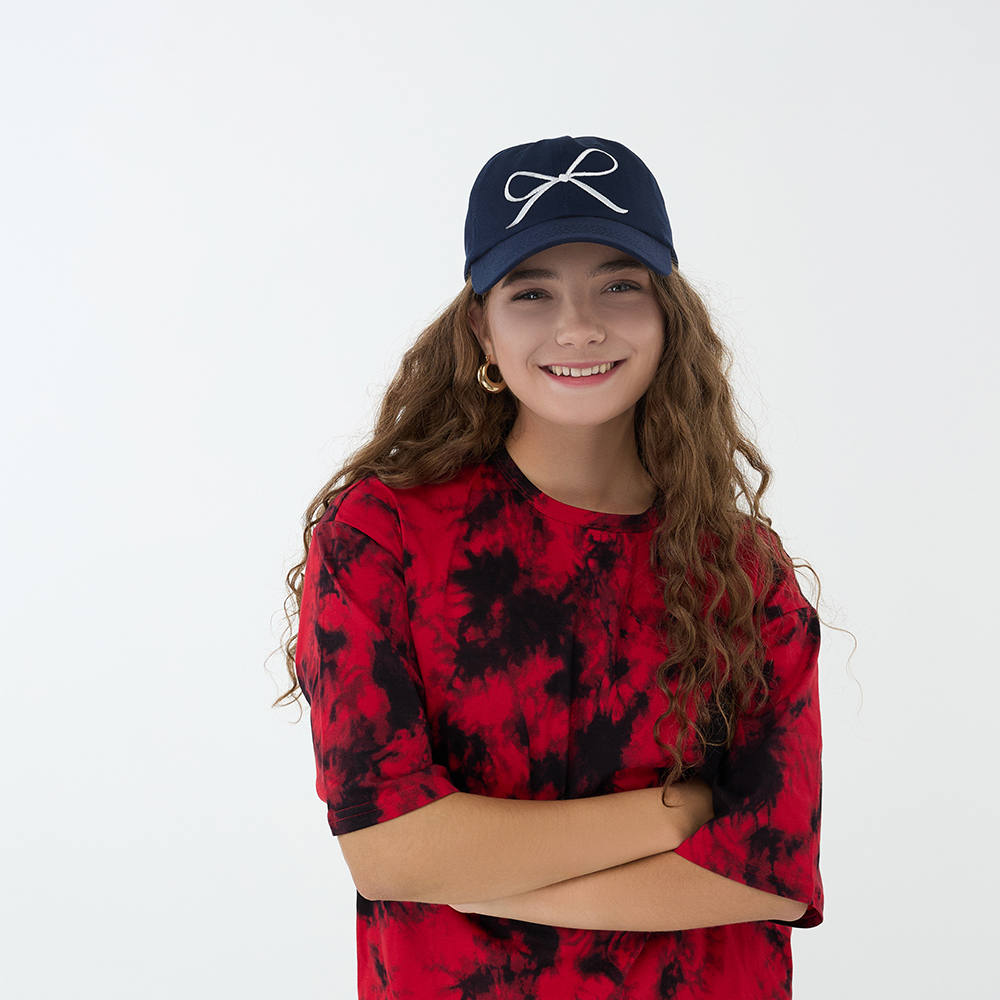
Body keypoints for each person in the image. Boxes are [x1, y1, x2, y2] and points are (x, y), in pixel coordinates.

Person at [281, 135, 823, 999]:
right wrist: (679, 810)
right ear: (481, 328)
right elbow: (387, 849)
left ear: (668, 315)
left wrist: (474, 879)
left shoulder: (741, 573)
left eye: (619, 284)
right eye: (532, 292)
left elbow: (768, 877)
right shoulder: (384, 536)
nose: (579, 325)